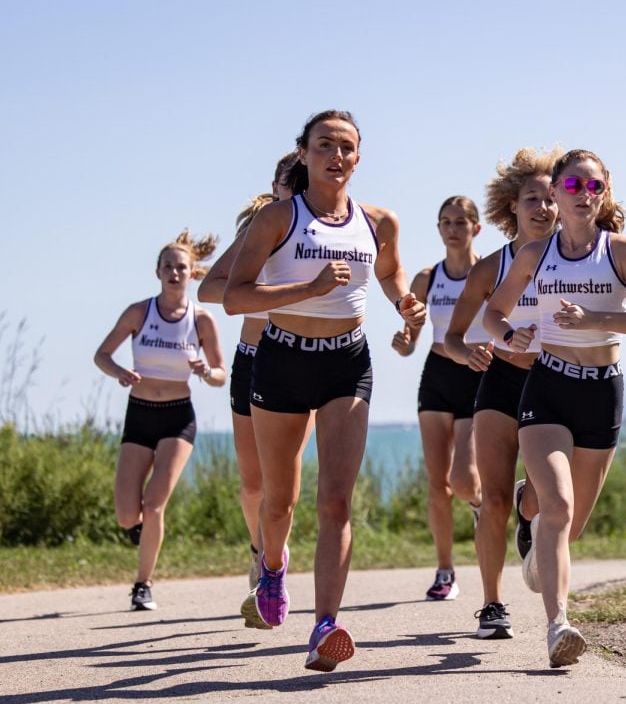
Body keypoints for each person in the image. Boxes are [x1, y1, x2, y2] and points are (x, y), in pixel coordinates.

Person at [224, 110, 425, 672]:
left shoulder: (378, 220)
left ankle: (325, 625)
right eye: (324, 145)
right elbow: (235, 298)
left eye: (346, 147)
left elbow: (389, 273)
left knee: (336, 499)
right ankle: (271, 565)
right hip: (282, 360)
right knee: (279, 501)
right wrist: (307, 288)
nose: (336, 155)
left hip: (348, 364)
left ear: (358, 158)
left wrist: (403, 303)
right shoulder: (276, 220)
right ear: (305, 153)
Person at [484, 149, 626, 668]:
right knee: (559, 509)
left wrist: (592, 319)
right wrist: (509, 333)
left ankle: (526, 505)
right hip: (548, 385)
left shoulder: (621, 251)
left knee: (568, 526)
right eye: (572, 186)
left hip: (602, 389)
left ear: (604, 193)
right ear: (557, 193)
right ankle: (558, 625)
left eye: (593, 187)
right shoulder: (533, 255)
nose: (582, 195)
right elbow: (494, 312)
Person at [443, 147, 560, 638]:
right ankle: (492, 604)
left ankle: (526, 512)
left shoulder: (576, 258)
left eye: (552, 198)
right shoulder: (491, 267)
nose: (543, 207)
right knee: (490, 498)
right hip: (502, 382)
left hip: (556, 383)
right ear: (512, 206)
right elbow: (452, 336)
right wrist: (467, 353)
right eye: (532, 198)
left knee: (542, 497)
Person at [198, 152, 308, 629]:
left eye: (297, 181)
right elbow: (209, 289)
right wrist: (260, 287)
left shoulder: (321, 234)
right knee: (251, 484)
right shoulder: (256, 232)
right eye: (285, 180)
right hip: (251, 358)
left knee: (283, 481)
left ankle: (273, 567)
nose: (291, 187)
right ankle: (261, 547)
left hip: (302, 358)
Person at [93, 231, 226, 611]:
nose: (174, 272)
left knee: (154, 506)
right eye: (167, 266)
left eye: (180, 267)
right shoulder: (139, 312)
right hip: (139, 415)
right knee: (125, 515)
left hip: (177, 419)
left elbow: (221, 374)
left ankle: (142, 585)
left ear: (191, 273)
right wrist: (119, 370)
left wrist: (204, 371)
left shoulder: (201, 320)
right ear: (157, 271)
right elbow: (101, 354)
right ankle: (139, 531)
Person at [392, 197, 486, 602]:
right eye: (445, 222)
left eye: (461, 222)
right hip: (436, 375)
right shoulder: (426, 279)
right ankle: (445, 571)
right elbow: (411, 340)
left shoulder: (491, 273)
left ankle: (483, 505)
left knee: (462, 478)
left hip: (476, 376)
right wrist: (402, 341)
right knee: (437, 483)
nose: (453, 229)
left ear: (476, 228)